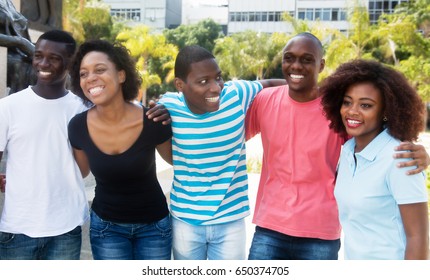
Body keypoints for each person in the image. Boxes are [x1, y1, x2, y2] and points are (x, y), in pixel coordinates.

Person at [244, 32, 430, 260]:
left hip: (321, 233)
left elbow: (377, 133)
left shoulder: (337, 113)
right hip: (269, 226)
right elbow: (231, 137)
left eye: (307, 60)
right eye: (289, 58)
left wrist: (422, 154)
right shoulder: (266, 101)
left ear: (321, 65)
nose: (296, 65)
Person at [154, 45, 286, 260]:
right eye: (203, 81)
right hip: (185, 222)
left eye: (218, 78)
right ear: (180, 85)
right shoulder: (168, 106)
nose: (216, 88)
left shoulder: (236, 94)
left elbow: (271, 84)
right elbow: (170, 155)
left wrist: (313, 89)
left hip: (231, 220)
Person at [68, 39, 173, 260]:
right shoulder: (77, 126)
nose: (91, 78)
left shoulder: (152, 119)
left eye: (100, 69)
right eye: (83, 74)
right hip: (107, 229)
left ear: (121, 76)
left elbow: (177, 161)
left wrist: (176, 112)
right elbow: (80, 172)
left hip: (154, 227)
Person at [320, 59, 429, 260]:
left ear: (386, 111)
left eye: (366, 105)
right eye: (347, 102)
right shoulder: (347, 151)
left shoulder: (400, 158)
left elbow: (418, 238)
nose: (352, 111)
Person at [0, 30, 89, 260]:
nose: (43, 63)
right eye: (39, 55)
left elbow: (84, 169)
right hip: (17, 228)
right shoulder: (9, 107)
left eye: (54, 58)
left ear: (70, 63)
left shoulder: (82, 109)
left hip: (66, 228)